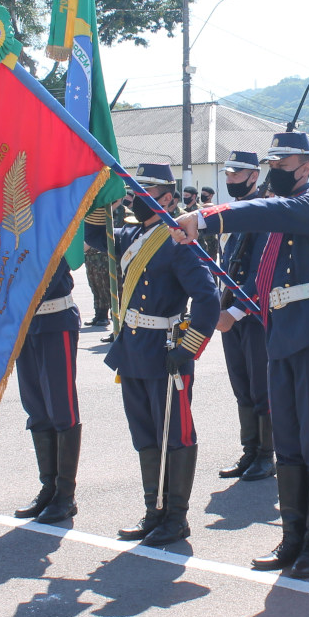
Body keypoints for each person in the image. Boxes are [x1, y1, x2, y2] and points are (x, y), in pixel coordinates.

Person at [177, 133, 309, 579]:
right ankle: (292, 537)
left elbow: (271, 210)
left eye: (282, 161)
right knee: (288, 439)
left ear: (306, 166)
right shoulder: (280, 214)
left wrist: (207, 215)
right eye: (271, 160)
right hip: (279, 333)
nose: (275, 168)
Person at [89, 164, 219, 547]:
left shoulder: (177, 241)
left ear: (166, 197)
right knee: (145, 433)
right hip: (132, 349)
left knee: (175, 434)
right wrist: (102, 194)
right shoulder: (132, 234)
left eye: (143, 190)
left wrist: (188, 346)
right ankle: (154, 511)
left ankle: (176, 518)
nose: (135, 196)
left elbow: (208, 298)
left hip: (166, 349)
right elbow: (94, 234)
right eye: (133, 189)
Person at [215, 150, 275, 483]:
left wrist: (235, 312)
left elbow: (260, 273)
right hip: (230, 314)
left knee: (260, 386)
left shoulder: (264, 214)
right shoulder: (235, 214)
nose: (229, 180)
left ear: (254, 176)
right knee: (241, 386)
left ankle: (266, 455)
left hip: (252, 317)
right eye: (227, 174)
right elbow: (227, 268)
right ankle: (250, 450)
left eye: (235, 175)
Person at [13, 261, 84, 524]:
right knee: (37, 407)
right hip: (24, 324)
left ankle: (65, 495)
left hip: (55, 321)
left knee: (61, 408)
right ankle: (49, 488)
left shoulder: (50, 223)